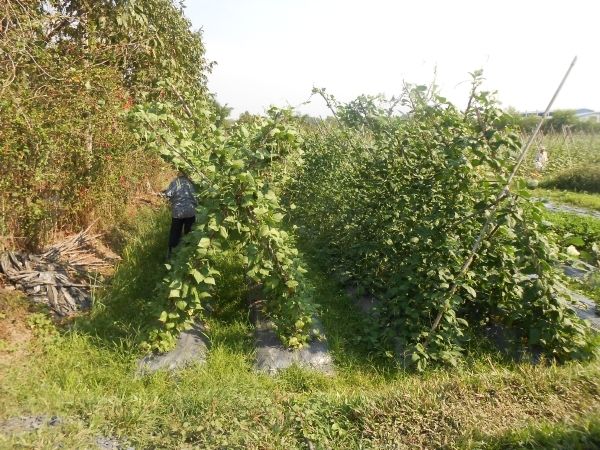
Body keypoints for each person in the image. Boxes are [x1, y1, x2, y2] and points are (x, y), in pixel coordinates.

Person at [162, 170, 197, 256]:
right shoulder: (190, 183)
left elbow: (168, 194)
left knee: (175, 232)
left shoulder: (175, 182)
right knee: (189, 232)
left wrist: (168, 196)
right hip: (190, 211)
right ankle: (188, 253)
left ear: (178, 175)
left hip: (178, 212)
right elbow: (195, 198)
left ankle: (171, 253)